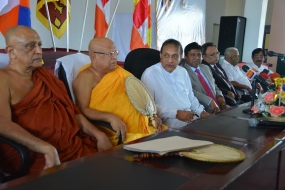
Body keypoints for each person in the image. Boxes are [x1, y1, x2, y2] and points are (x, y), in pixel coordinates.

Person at [0, 26, 112, 175]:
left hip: (73, 146)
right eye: (30, 46)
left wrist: (99, 134)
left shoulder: (45, 77)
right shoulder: (3, 79)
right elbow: (3, 123)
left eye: (39, 44)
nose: (39, 51)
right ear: (11, 51)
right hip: (37, 153)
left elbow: (72, 112)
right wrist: (45, 147)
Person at [73, 37, 165, 146]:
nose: (115, 57)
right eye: (110, 54)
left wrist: (152, 114)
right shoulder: (86, 77)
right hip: (120, 133)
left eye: (115, 52)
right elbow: (82, 110)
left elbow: (140, 97)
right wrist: (109, 117)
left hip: (146, 126)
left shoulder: (120, 72)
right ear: (94, 56)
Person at [141, 39, 210, 128]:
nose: (170, 60)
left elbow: (191, 98)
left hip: (190, 118)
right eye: (166, 55)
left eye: (174, 56)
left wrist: (202, 112)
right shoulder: (150, 74)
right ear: (160, 56)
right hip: (167, 123)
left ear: (181, 57)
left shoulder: (183, 72)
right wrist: (176, 113)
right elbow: (147, 107)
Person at [180, 42, 226, 113]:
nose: (197, 58)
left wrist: (220, 95)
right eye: (193, 55)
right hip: (203, 109)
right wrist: (209, 101)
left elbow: (214, 85)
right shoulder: (182, 72)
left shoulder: (206, 67)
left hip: (218, 104)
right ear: (185, 57)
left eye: (199, 55)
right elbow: (191, 92)